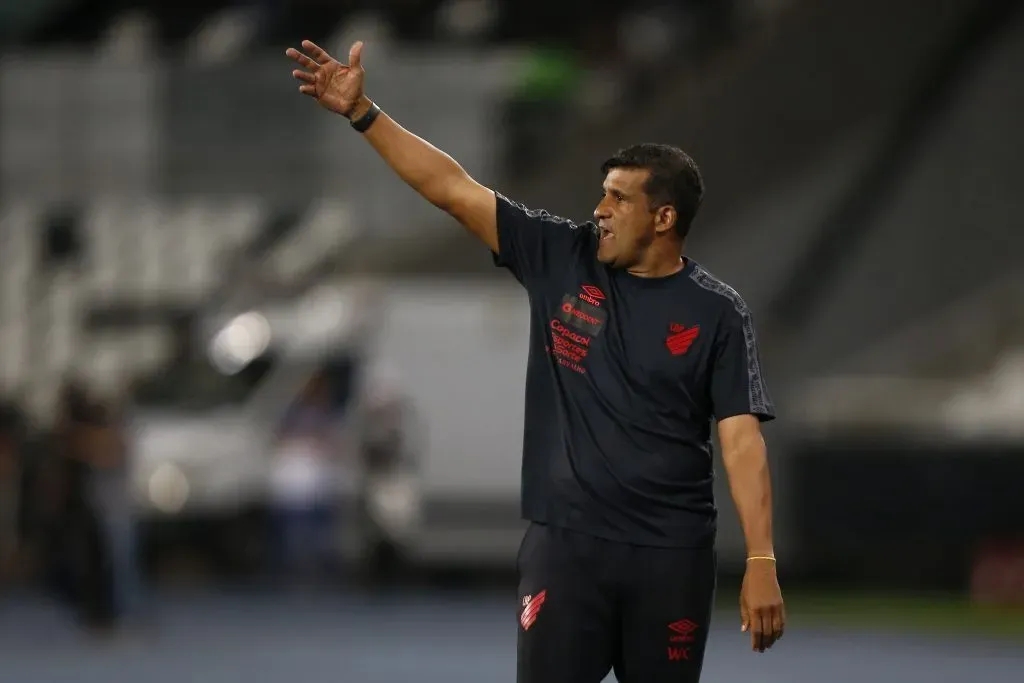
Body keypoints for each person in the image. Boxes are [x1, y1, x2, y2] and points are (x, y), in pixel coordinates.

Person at [286, 39, 785, 683]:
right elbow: (451, 189)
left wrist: (762, 561)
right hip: (565, 549)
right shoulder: (560, 256)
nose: (599, 210)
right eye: (601, 194)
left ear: (664, 218)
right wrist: (364, 114)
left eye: (618, 200)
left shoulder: (718, 312)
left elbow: (741, 442)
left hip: (670, 557)